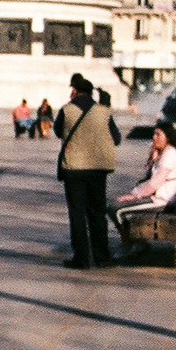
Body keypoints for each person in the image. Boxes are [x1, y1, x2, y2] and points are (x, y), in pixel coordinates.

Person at [54, 75, 120, 269]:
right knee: (97, 213)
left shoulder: (67, 110)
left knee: (77, 213)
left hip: (74, 169)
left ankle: (81, 258)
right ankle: (102, 256)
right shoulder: (103, 112)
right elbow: (116, 138)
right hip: (98, 169)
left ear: (74, 90)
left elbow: (58, 132)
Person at [110, 122, 176, 250]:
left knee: (116, 209)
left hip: (162, 201)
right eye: (154, 134)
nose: (154, 137)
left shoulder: (169, 156)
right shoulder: (165, 153)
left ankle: (130, 244)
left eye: (158, 134)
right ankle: (134, 242)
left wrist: (133, 196)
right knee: (114, 206)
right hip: (160, 198)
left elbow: (153, 185)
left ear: (167, 137)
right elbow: (150, 179)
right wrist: (153, 158)